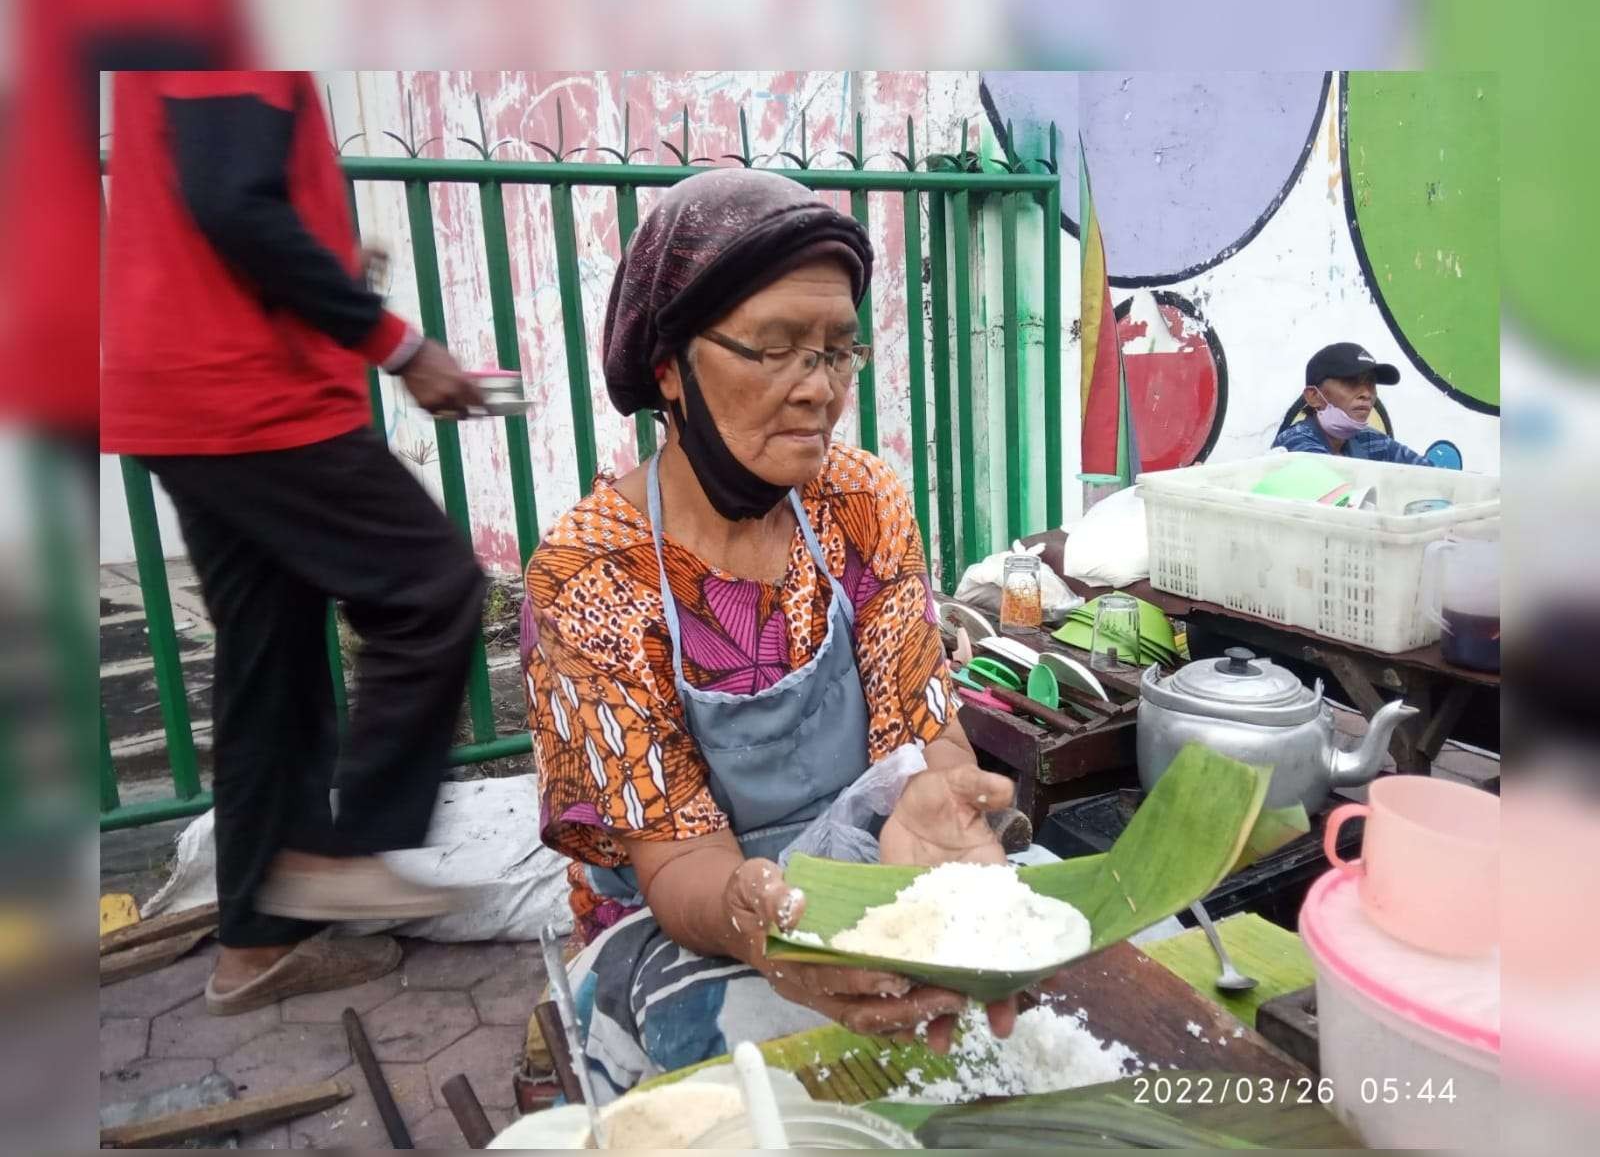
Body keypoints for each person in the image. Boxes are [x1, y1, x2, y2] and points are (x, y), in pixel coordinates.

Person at [523, 169, 1024, 1098]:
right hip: (688, 916)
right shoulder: (594, 572)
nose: (820, 392)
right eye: (777, 350)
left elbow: (924, 731)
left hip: (868, 869)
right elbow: (678, 861)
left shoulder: (861, 502)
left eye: (838, 351)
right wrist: (766, 923)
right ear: (670, 367)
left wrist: (945, 804)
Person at [101, 71, 488, 1015]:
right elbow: (231, 200)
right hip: (249, 394)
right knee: (433, 587)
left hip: (179, 387)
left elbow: (226, 198)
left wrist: (324, 264)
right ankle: (342, 855)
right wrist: (399, 344)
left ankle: (256, 949)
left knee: (267, 664)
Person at [1272, 342, 1432, 465]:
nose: (1366, 393)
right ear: (1313, 396)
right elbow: (1339, 496)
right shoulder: (1295, 443)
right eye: (1350, 381)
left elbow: (1434, 477)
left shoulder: (1371, 440)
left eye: (1371, 383)